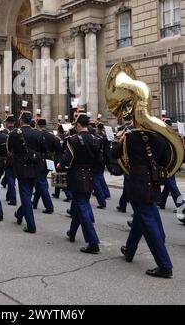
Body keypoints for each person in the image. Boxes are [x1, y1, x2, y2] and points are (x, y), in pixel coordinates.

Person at [111, 116, 173, 278]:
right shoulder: (160, 136)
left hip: (138, 181)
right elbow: (166, 159)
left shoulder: (131, 135)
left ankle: (164, 265)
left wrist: (121, 138)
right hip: (153, 181)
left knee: (146, 218)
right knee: (143, 214)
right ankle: (130, 250)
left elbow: (114, 153)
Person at [58, 113, 102, 254]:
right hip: (90, 175)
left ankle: (93, 242)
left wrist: (60, 164)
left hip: (77, 175)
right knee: (80, 203)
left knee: (82, 205)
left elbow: (67, 159)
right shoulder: (96, 139)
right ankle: (72, 232)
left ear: (78, 125)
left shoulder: (73, 139)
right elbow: (100, 161)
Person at [7, 111, 44, 234]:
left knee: (25, 195)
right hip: (35, 167)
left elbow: (9, 149)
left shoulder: (14, 133)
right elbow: (42, 150)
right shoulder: (38, 134)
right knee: (28, 194)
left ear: (21, 121)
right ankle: (19, 213)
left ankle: (31, 225)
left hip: (21, 167)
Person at [32, 118, 61, 214]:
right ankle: (34, 203)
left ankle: (49, 206)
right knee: (39, 181)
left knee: (41, 182)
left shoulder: (36, 134)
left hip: (39, 160)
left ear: (38, 125)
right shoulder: (52, 136)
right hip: (49, 160)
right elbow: (57, 149)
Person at [3, 115, 17, 206]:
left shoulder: (5, 132)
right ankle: (9, 196)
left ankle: (13, 199)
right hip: (17, 158)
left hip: (8, 158)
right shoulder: (18, 131)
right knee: (12, 178)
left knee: (10, 179)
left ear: (7, 123)